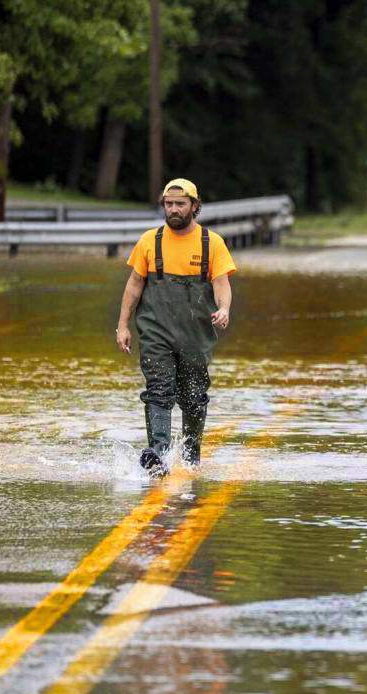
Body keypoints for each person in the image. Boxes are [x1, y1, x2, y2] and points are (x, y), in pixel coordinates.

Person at [115, 178, 235, 476]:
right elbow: (134, 285)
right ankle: (158, 453)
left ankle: (191, 457)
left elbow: (222, 284)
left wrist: (223, 309)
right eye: (169, 204)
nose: (174, 210)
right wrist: (122, 325)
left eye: (180, 204)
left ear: (195, 206)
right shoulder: (149, 241)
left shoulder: (212, 243)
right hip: (156, 331)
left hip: (195, 335)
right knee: (158, 390)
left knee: (193, 396)